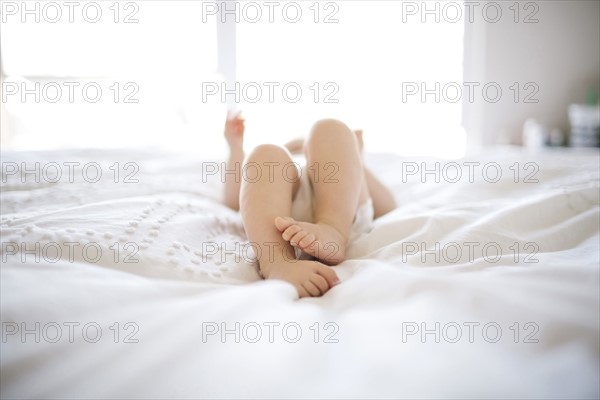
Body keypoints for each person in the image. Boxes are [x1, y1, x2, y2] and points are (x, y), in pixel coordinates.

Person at [223, 113, 396, 298]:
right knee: (265, 153)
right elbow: (235, 201)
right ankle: (277, 261)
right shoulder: (283, 158)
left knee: (330, 128)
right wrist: (236, 148)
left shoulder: (341, 160)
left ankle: (333, 230)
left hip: (340, 206)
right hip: (275, 209)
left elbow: (388, 206)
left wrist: (357, 158)